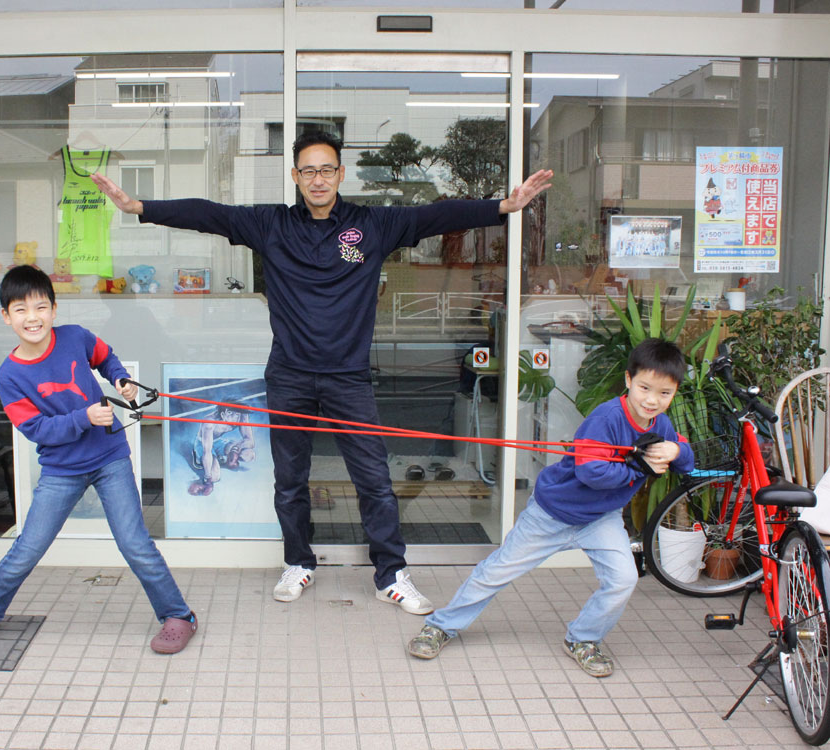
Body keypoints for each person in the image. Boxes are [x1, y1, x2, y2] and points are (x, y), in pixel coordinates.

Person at [91, 132, 553, 614]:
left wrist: (502, 206)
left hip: (347, 377)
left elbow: (433, 216)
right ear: (295, 176)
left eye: (326, 169)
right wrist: (138, 206)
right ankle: (298, 561)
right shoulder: (271, 224)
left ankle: (390, 574)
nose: (317, 178)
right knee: (290, 479)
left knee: (372, 477)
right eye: (307, 170)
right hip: (289, 375)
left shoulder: (371, 225)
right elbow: (209, 213)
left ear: (340, 175)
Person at [407, 338, 695, 676]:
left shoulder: (660, 424)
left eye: (664, 393)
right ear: (629, 380)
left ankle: (582, 639)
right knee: (497, 571)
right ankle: (441, 626)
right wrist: (641, 466)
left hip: (600, 520)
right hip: (551, 514)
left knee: (623, 579)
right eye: (645, 387)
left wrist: (675, 452)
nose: (652, 400)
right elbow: (592, 473)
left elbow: (683, 456)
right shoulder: (606, 418)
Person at [0, 265, 198, 655]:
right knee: (27, 548)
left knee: (135, 544)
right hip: (61, 471)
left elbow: (106, 357)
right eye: (21, 309)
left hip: (110, 458)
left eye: (40, 307)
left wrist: (119, 380)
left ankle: (179, 616)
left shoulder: (76, 338)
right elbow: (37, 431)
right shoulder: (11, 375)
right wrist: (84, 417)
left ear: (54, 309)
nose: (33, 317)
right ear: (5, 316)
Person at [188, 403, 256, 496]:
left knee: (249, 455)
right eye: (234, 415)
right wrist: (208, 480)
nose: (237, 419)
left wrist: (234, 451)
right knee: (215, 477)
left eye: (237, 415)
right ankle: (198, 456)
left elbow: (250, 441)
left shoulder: (241, 415)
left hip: (219, 442)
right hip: (204, 444)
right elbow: (207, 451)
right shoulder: (209, 422)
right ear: (224, 414)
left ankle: (222, 459)